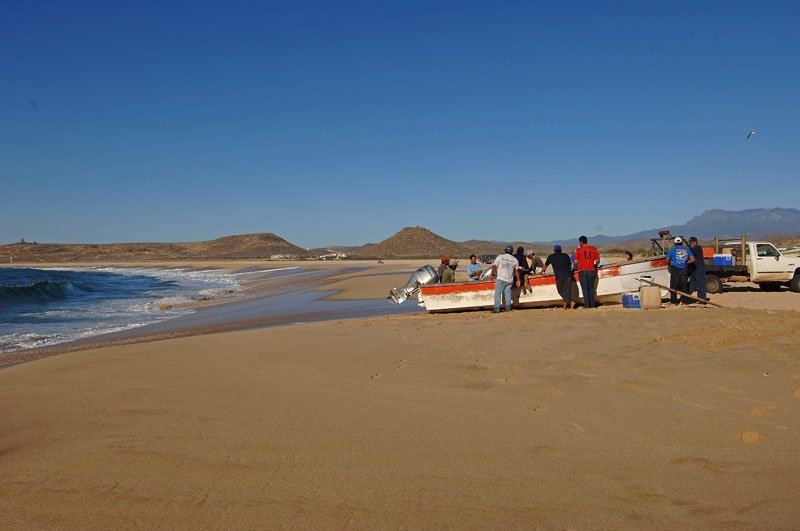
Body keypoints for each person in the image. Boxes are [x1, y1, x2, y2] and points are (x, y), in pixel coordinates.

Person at [491, 246, 521, 313]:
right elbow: (516, 271)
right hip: (509, 279)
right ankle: (508, 308)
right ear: (512, 252)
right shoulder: (515, 260)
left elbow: (494, 266)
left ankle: (497, 308)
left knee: (498, 293)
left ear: (505, 250)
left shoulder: (500, 257)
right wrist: (518, 280)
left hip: (500, 278)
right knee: (508, 294)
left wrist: (492, 274)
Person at [666, 236, 695, 304]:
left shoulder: (672, 250)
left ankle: (674, 301)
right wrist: (686, 262)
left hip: (675, 269)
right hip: (684, 269)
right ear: (682, 243)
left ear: (675, 243)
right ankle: (684, 300)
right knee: (684, 285)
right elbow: (693, 259)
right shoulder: (687, 250)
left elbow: (667, 260)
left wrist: (670, 263)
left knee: (673, 285)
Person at [573, 236, 601, 308]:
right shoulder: (593, 249)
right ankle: (592, 304)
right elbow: (598, 260)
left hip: (582, 270)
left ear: (581, 242)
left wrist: (575, 268)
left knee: (584, 288)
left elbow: (575, 262)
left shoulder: (578, 250)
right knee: (591, 288)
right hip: (591, 270)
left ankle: (587, 305)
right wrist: (595, 265)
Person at [545, 244, 575, 309]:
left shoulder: (551, 256)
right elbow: (570, 265)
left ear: (554, 250)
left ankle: (566, 304)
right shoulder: (565, 255)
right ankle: (569, 302)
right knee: (566, 290)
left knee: (560, 290)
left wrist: (542, 271)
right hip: (567, 275)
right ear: (560, 250)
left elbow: (545, 266)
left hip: (559, 276)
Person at [687, 237, 707, 302]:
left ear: (695, 242)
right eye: (689, 243)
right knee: (691, 285)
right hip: (694, 270)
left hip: (699, 270)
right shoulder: (693, 249)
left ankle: (702, 300)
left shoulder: (697, 248)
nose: (690, 244)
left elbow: (688, 253)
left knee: (701, 285)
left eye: (691, 243)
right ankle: (686, 298)